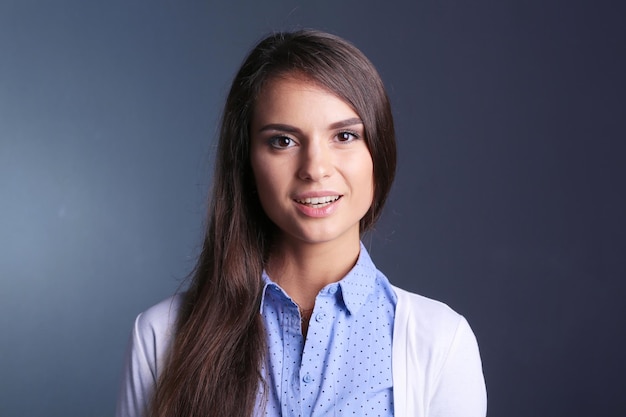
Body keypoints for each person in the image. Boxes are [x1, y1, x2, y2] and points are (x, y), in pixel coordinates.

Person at [116, 29, 487, 417]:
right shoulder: (162, 337)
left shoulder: (440, 343)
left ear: (379, 151)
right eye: (283, 141)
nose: (315, 169)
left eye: (344, 135)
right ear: (247, 162)